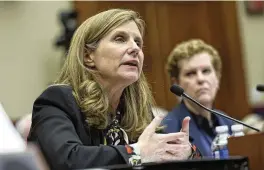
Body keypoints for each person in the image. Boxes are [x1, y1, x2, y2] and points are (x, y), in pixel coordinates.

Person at [27, 9, 199, 170]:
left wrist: (186, 152)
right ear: (88, 56)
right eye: (120, 39)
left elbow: (164, 149)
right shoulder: (57, 100)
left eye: (138, 42)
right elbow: (68, 159)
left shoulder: (136, 109)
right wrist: (137, 152)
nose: (135, 49)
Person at [162, 39, 233, 157]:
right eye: (190, 73)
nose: (201, 79)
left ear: (217, 77)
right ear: (177, 83)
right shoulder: (169, 129)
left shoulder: (228, 122)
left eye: (206, 71)